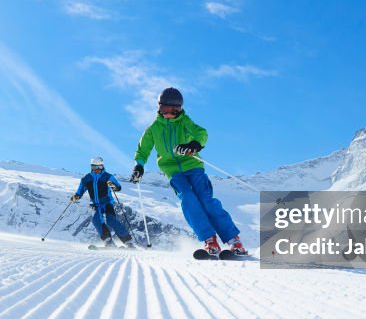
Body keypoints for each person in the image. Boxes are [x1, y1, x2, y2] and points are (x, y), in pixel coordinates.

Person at [130, 88, 247, 255]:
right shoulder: (153, 129)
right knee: (188, 198)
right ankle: (209, 239)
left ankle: (233, 240)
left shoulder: (185, 122)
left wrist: (193, 145)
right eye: (165, 109)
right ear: (159, 108)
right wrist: (139, 165)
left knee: (206, 200)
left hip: (193, 167)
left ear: (180, 109)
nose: (169, 114)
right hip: (173, 172)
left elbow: (201, 133)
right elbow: (143, 150)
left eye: (174, 110)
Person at [72, 157, 135, 248]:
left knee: (111, 220)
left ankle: (128, 242)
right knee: (96, 220)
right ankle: (108, 241)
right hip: (95, 205)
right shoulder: (86, 178)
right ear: (91, 167)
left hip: (107, 203)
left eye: (99, 167)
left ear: (102, 166)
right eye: (94, 167)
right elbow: (81, 190)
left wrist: (113, 185)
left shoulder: (108, 176)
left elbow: (118, 187)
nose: (97, 169)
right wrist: (76, 196)